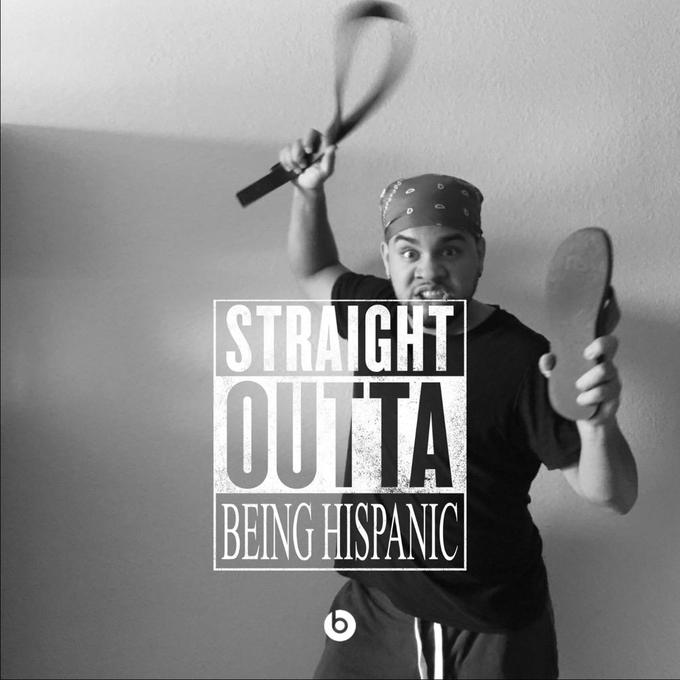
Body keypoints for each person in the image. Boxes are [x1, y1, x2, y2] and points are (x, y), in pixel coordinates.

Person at [279, 129, 638, 679]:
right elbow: (313, 271)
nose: (428, 270)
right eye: (409, 252)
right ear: (387, 258)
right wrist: (307, 191)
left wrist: (597, 426)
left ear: (478, 255)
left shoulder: (523, 359)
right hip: (375, 604)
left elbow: (614, 495)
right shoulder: (378, 314)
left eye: (449, 249)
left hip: (484, 623)